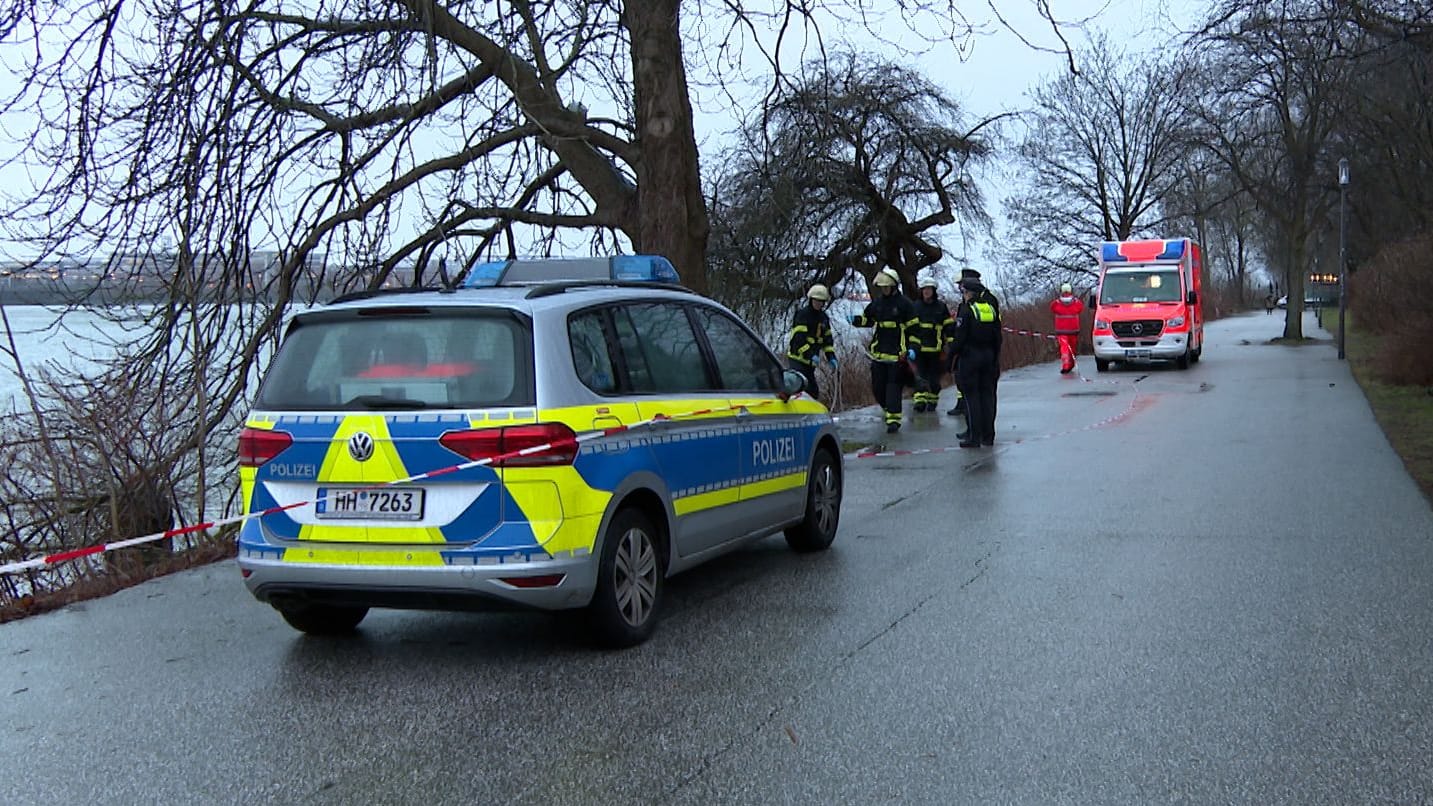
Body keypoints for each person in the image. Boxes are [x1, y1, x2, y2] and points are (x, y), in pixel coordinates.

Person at [851, 267, 918, 433]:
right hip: (879, 354)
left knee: (893, 387)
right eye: (882, 287)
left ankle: (894, 421)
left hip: (897, 355)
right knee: (878, 388)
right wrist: (856, 320)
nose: (884, 289)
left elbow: (915, 331)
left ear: (894, 286)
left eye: (886, 287)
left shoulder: (905, 305)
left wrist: (912, 349)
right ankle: (889, 410)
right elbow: (868, 319)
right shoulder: (878, 303)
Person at [948, 277, 1002, 447]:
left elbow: (960, 338)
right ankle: (988, 436)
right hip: (989, 358)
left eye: (964, 292)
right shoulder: (990, 309)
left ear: (969, 293)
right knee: (988, 397)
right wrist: (994, 358)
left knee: (972, 398)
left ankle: (974, 437)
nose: (963, 295)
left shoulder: (967, 310)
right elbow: (997, 337)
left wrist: (950, 356)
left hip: (970, 358)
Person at [910, 269, 955, 413]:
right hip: (919, 350)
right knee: (920, 377)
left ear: (933, 291)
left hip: (936, 351)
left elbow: (948, 326)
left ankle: (932, 402)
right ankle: (919, 403)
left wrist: (952, 343)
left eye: (929, 289)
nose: (926, 292)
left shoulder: (941, 307)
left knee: (934, 381)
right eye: (924, 289)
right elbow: (909, 328)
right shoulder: (915, 306)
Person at [787, 283, 837, 399]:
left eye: (821, 301)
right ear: (811, 300)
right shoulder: (802, 315)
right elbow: (799, 339)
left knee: (813, 392)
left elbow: (827, 341)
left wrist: (831, 357)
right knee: (800, 390)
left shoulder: (823, 318)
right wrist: (811, 355)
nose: (819, 304)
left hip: (811, 363)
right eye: (817, 301)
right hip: (798, 359)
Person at [1050, 281, 1084, 374]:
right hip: (1073, 330)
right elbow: (1080, 308)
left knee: (1064, 348)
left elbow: (1052, 307)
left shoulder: (1056, 303)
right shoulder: (1076, 303)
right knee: (1072, 348)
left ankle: (1066, 365)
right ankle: (1071, 364)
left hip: (1061, 330)